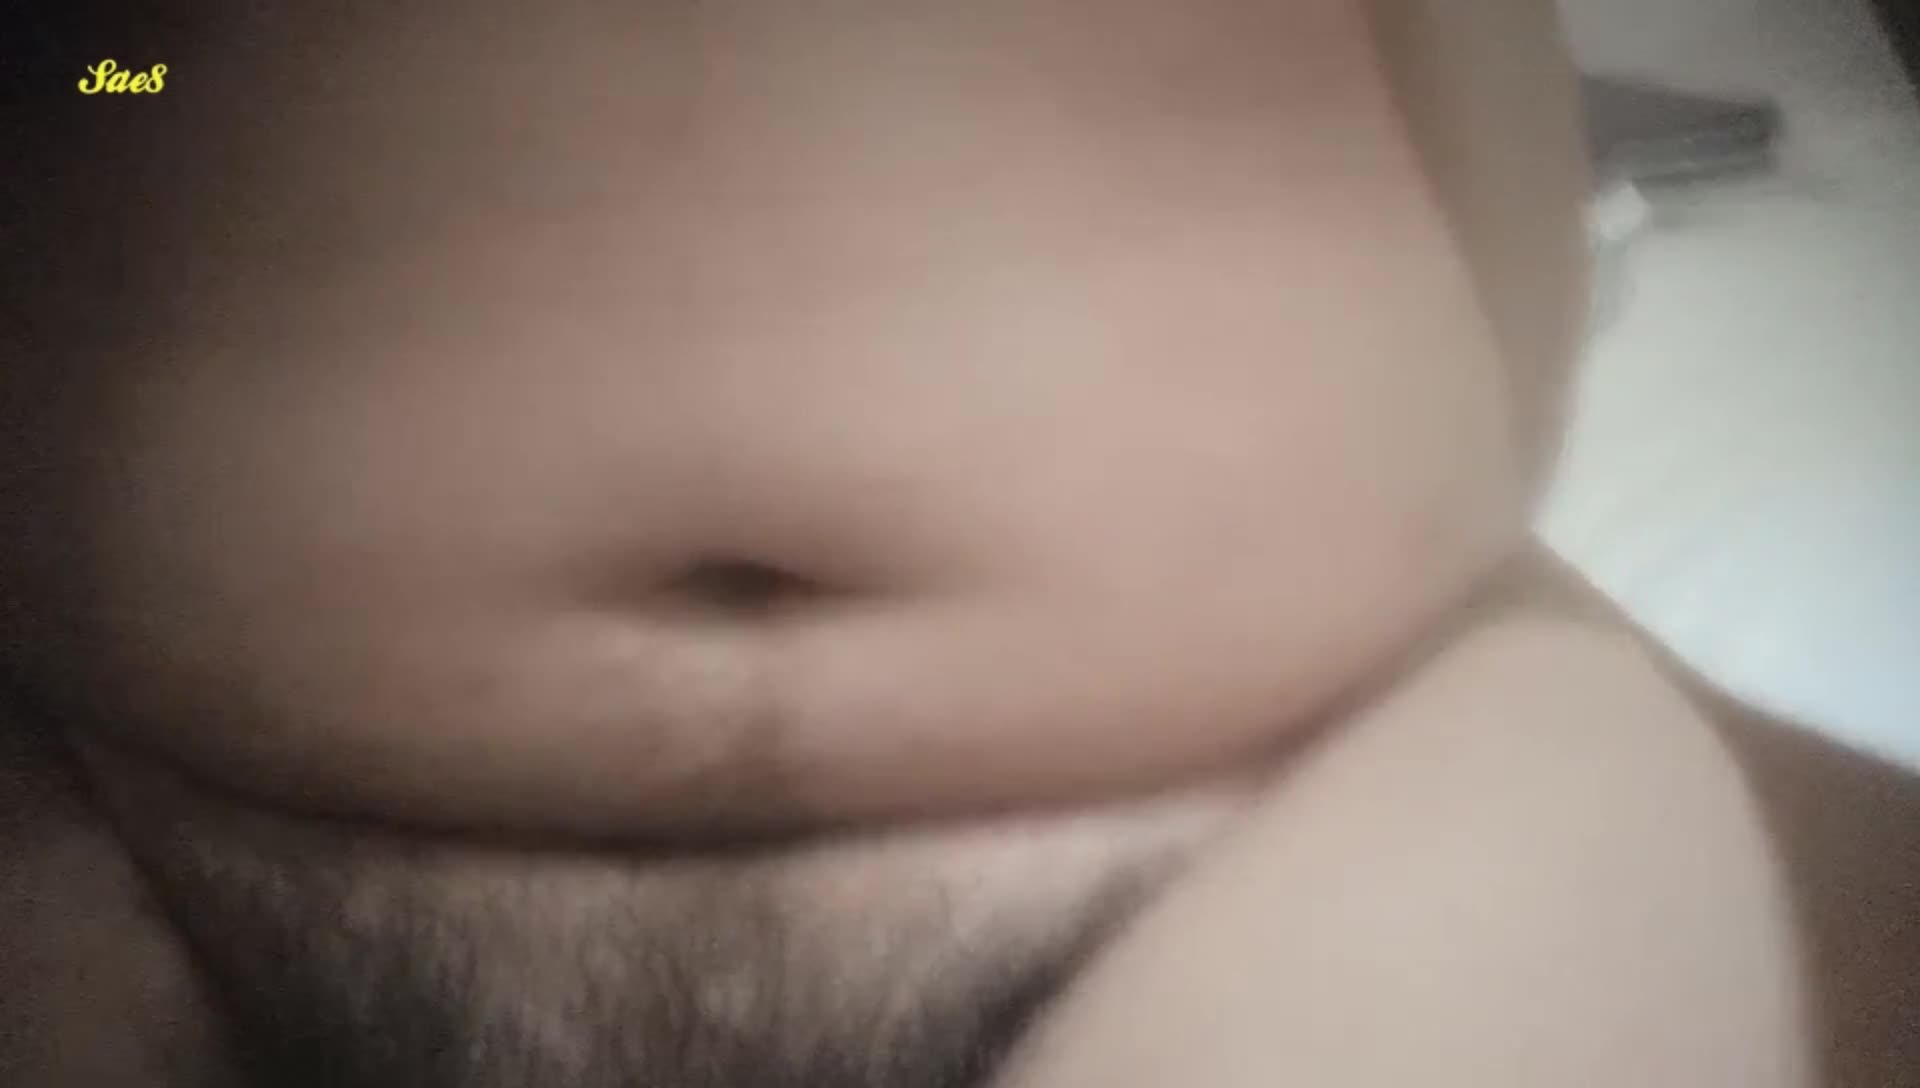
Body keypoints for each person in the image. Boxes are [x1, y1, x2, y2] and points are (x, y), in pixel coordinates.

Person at [1, 2, 1913, 1086]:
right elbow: (90, 77)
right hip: (157, 805)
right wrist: (130, 75)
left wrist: (1410, 545)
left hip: (1290, 795)